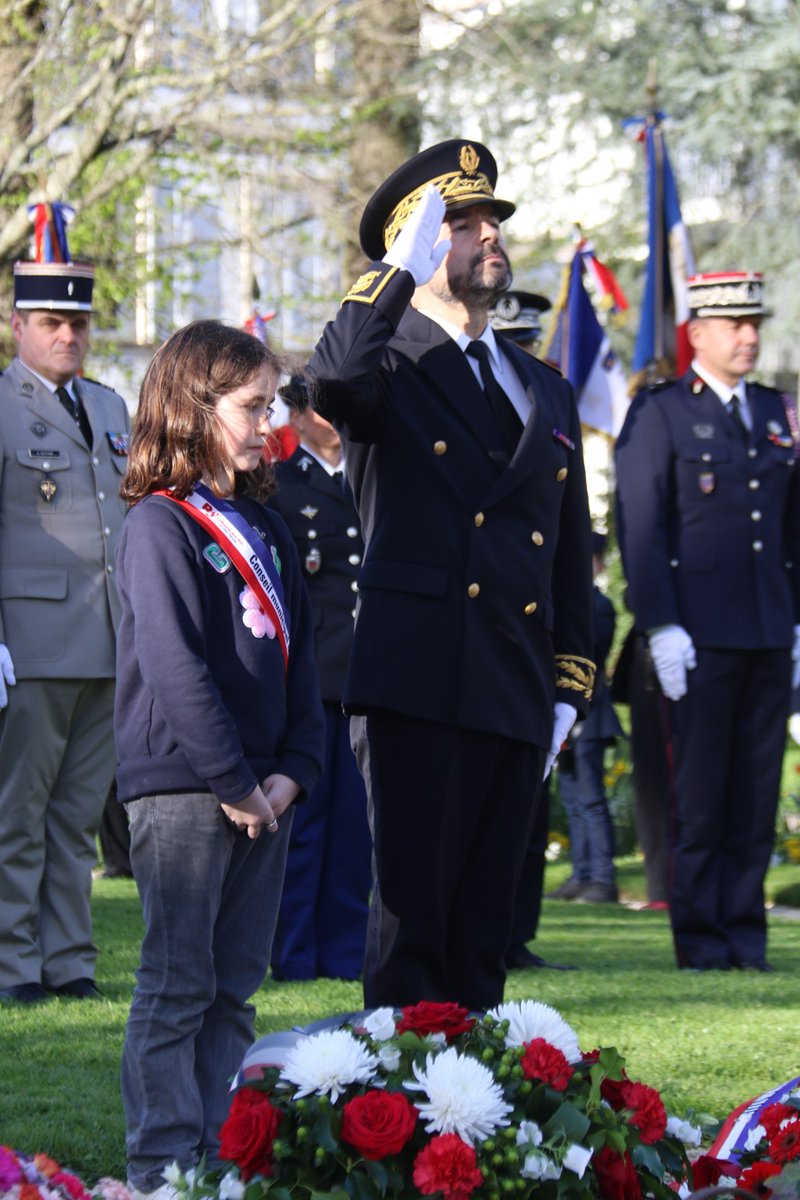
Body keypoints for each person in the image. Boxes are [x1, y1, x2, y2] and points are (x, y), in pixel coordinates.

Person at [307, 138, 595, 1010]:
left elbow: (571, 548)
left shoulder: (540, 385)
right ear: (420, 244)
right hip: (418, 677)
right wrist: (392, 274)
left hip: (512, 678)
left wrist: (568, 685)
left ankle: (480, 1122)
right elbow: (332, 380)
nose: (487, 238)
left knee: (485, 932)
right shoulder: (391, 363)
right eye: (459, 224)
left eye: (490, 222)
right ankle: (398, 1123)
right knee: (411, 926)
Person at [113, 321, 324, 1199]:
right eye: (249, 407)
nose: (264, 424)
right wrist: (234, 781)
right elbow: (174, 667)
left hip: (264, 791)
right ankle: (163, 1165)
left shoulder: (267, 526)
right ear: (193, 408)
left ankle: (212, 1160)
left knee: (235, 987)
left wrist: (294, 769)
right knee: (177, 983)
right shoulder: (158, 527)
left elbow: (304, 664)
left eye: (270, 405)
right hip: (187, 787)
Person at [615, 271, 800, 971]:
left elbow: (792, 530)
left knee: (755, 796)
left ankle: (744, 938)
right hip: (696, 638)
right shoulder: (661, 412)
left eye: (754, 323)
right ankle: (700, 941)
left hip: (767, 632)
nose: (749, 336)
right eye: (734, 325)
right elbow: (642, 527)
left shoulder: (779, 411)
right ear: (698, 335)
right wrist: (660, 623)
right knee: (701, 794)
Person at [0, 258, 130, 1004]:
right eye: (51, 322)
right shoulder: (4, 404)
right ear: (19, 326)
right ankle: (15, 967)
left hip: (106, 641)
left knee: (77, 817)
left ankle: (69, 961)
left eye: (77, 323)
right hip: (31, 645)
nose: (67, 335)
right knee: (18, 814)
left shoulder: (112, 408)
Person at [269, 375, 372, 981]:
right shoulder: (282, 487)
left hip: (368, 675)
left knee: (356, 828)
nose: (332, 420)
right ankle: (294, 952)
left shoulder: (374, 478)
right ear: (299, 415)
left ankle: (343, 950)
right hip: (309, 677)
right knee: (304, 824)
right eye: (320, 408)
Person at [487, 288, 575, 972]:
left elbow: (571, 551)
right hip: (474, 635)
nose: (525, 356)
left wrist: (572, 681)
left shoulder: (552, 398)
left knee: (526, 806)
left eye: (528, 344)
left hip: (532, 640)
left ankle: (516, 929)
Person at [548, 531, 623, 904]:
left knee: (591, 798)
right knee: (573, 799)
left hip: (590, 715)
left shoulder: (599, 605)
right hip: (568, 714)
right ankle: (582, 874)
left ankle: (603, 878)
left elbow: (589, 655)